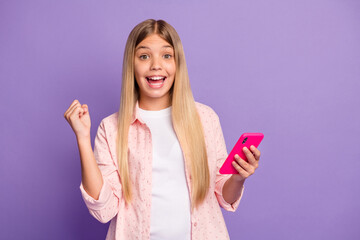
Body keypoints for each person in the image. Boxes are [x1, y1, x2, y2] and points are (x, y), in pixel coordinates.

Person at [64, 19, 261, 240]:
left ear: (178, 64)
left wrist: (238, 177)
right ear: (132, 63)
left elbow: (223, 196)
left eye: (166, 55)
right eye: (144, 56)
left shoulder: (205, 118)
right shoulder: (111, 128)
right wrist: (82, 138)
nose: (156, 65)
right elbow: (104, 210)